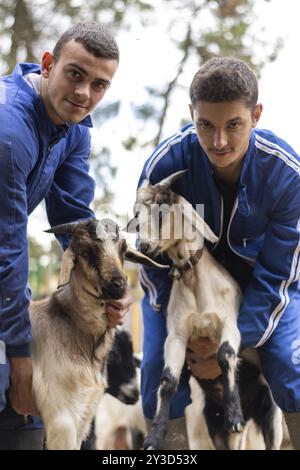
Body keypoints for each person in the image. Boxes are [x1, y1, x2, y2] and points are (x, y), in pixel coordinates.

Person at [137, 57, 300, 449]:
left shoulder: (286, 174)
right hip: (181, 289)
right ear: (191, 114)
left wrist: (229, 346)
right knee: (156, 367)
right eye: (205, 125)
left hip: (263, 290)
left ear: (256, 115)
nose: (219, 141)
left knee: (290, 365)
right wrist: (186, 333)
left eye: (234, 125)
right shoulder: (165, 165)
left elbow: (280, 272)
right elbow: (149, 259)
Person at [0, 21, 132, 450]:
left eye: (99, 84)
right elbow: (8, 249)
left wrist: (110, 285)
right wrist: (20, 358)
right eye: (75, 74)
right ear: (48, 64)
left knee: (31, 418)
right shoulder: (10, 133)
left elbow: (76, 218)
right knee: (12, 378)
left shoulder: (74, 129)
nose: (84, 93)